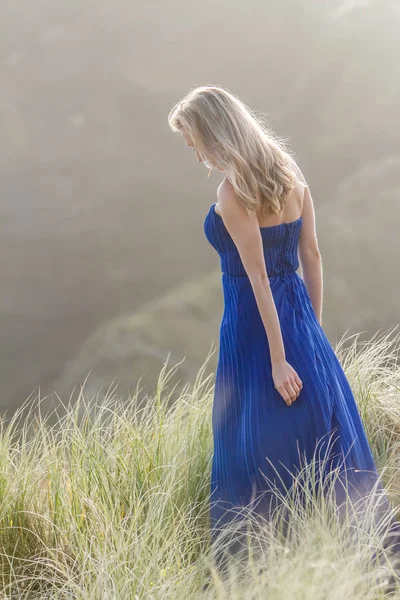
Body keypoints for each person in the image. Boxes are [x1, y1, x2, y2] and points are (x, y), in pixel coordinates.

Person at [168, 85, 400, 582]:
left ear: (213, 132)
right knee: (323, 434)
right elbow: (311, 256)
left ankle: (247, 570)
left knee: (246, 440)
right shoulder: (291, 176)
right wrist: (309, 336)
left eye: (193, 142)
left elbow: (257, 278)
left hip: (254, 329)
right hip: (298, 318)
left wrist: (278, 357)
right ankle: (333, 557)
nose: (195, 154)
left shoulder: (232, 192)